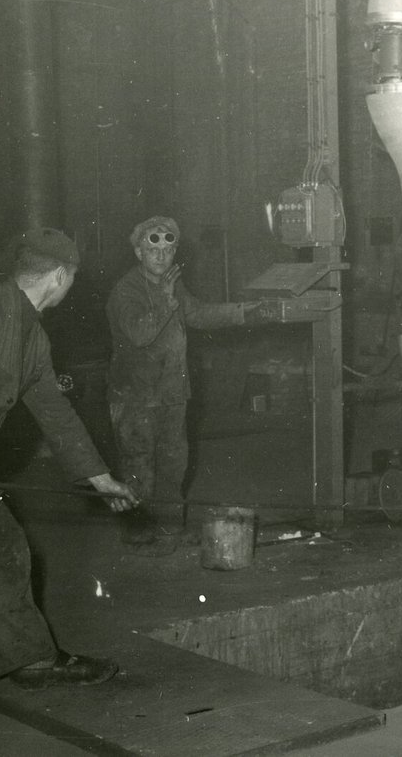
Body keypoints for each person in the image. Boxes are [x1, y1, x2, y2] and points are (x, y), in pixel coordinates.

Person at [0, 227, 139, 688]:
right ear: (59, 276)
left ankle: (29, 658)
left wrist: (100, 480)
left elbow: (54, 413)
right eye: (74, 278)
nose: (72, 286)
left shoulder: (33, 338)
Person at [106, 216, 262, 552]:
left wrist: (242, 312)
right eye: (153, 247)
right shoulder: (126, 291)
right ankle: (138, 537)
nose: (162, 255)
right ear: (138, 252)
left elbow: (197, 313)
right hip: (137, 398)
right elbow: (139, 333)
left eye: (169, 246)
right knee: (139, 469)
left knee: (173, 465)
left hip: (172, 393)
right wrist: (165, 300)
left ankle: (169, 531)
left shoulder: (172, 285)